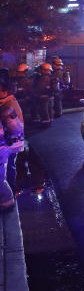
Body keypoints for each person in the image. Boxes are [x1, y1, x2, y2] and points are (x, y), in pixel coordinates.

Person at [0, 79, 25, 207]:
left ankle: (10, 193)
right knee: (9, 167)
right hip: (12, 143)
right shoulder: (7, 101)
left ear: (5, 91)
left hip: (11, 144)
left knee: (9, 168)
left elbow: (15, 128)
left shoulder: (7, 105)